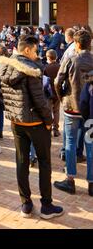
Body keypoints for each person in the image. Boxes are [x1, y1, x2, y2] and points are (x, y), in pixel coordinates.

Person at [0, 35, 64, 219]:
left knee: (21, 162)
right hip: (35, 122)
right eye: (35, 51)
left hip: (17, 121)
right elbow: (39, 100)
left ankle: (26, 203)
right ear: (27, 50)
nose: (37, 54)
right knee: (44, 163)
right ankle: (46, 205)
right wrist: (50, 120)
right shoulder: (31, 69)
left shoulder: (5, 65)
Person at [54, 30, 93, 195]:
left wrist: (62, 97)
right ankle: (91, 183)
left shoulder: (71, 59)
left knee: (69, 143)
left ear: (76, 44)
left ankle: (70, 180)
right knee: (90, 145)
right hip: (90, 110)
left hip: (72, 107)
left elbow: (57, 81)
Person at [80, 69, 93, 197]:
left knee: (90, 153)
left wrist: (86, 118)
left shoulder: (89, 82)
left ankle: (92, 183)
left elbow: (83, 103)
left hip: (91, 122)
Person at [44, 50, 61, 137]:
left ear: (47, 58)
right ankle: (56, 130)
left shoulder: (45, 68)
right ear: (56, 57)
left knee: (49, 111)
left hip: (48, 93)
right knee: (56, 111)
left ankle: (49, 129)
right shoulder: (60, 66)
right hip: (57, 92)